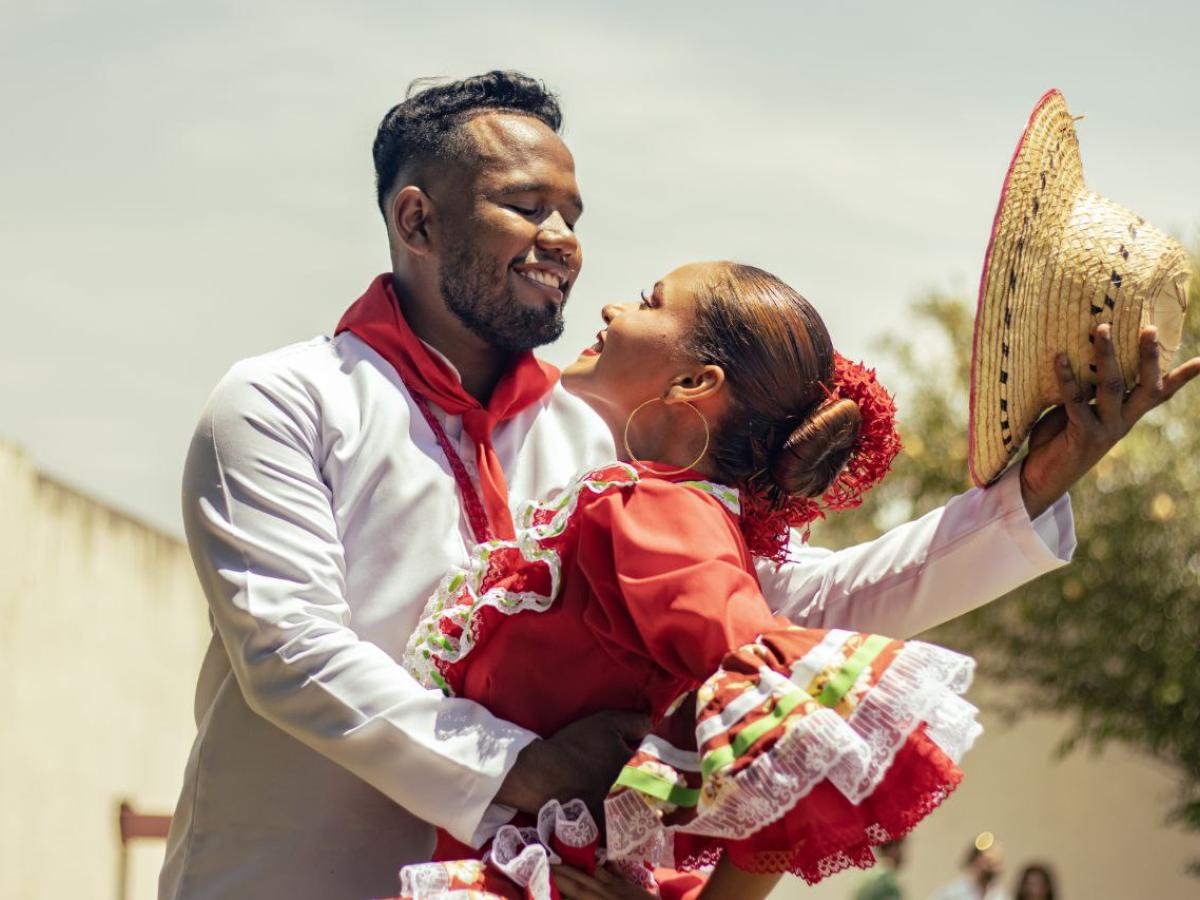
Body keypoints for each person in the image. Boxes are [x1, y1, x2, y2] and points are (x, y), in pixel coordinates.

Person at [160, 71, 1196, 900]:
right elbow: (290, 653)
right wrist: (519, 768)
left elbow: (776, 619)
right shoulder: (280, 401)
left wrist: (1023, 497)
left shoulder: (602, 439)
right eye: (527, 207)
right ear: (418, 220)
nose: (564, 240)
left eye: (573, 212)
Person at [395, 260, 977, 900]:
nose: (612, 309)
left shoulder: (655, 508)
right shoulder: (675, 508)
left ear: (695, 381)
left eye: (649, 301)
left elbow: (785, 721)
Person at [929, 841, 1009, 900]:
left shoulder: (1001, 895)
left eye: (996, 863)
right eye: (987, 862)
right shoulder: (952, 894)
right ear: (973, 863)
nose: (992, 868)